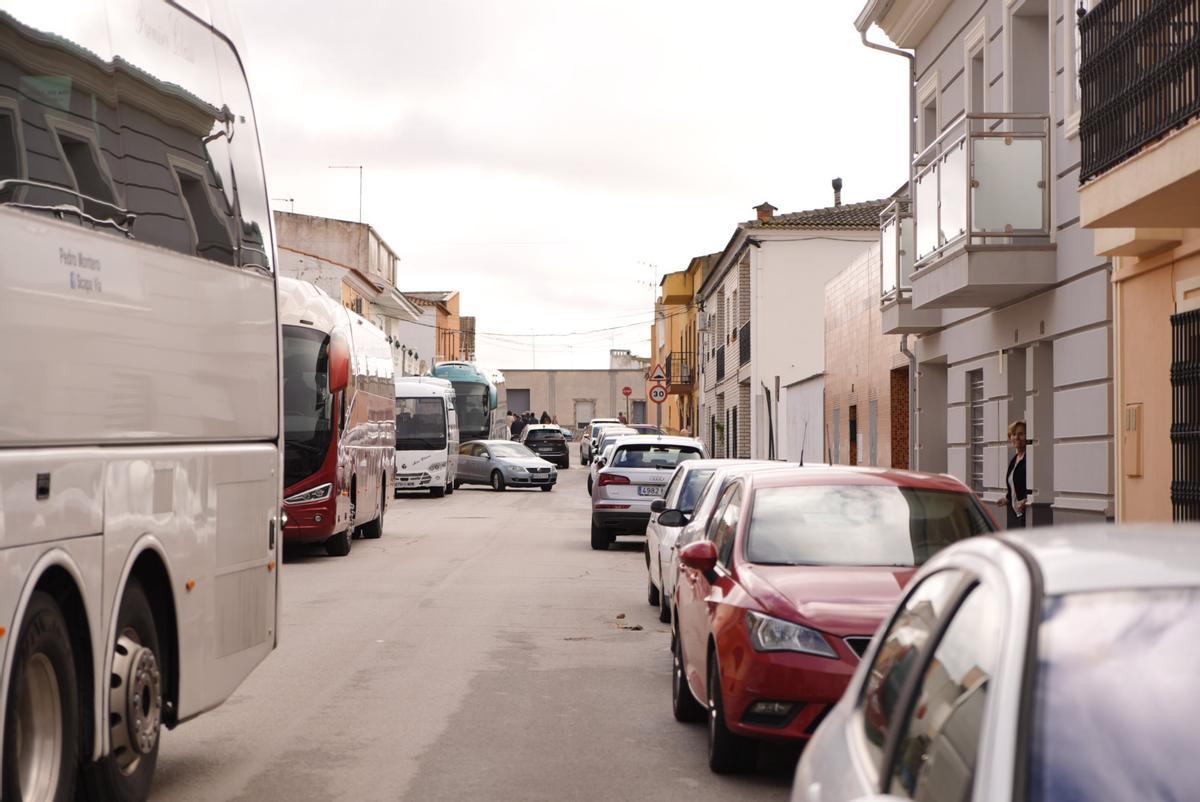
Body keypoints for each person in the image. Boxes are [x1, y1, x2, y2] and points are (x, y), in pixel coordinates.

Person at [996, 420, 1028, 529]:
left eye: (1021, 434)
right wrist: (1007, 499)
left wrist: (1026, 499)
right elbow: (1014, 486)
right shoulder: (1014, 460)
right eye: (1014, 434)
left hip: (1025, 513)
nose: (1017, 437)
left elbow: (1035, 485)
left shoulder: (1029, 458)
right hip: (1015, 513)